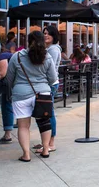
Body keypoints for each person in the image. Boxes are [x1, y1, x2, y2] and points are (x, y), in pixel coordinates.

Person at [6, 31, 57, 162]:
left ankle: (26, 154)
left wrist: (12, 91)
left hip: (21, 94)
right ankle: (46, 150)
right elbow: (53, 79)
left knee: (23, 126)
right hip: (42, 93)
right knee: (44, 123)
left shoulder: (17, 56)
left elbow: (9, 78)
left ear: (27, 42)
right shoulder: (47, 57)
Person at [34, 25, 61, 155]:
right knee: (46, 113)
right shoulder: (48, 49)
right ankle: (47, 141)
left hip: (50, 84)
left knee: (48, 113)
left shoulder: (53, 50)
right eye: (44, 33)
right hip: (47, 83)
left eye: (48, 33)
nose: (45, 35)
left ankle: (51, 143)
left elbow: (48, 67)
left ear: (54, 35)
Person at [0, 42, 15, 145]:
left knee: (7, 107)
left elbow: (2, 74)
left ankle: (7, 135)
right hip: (14, 84)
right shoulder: (7, 55)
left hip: (9, 86)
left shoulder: (2, 57)